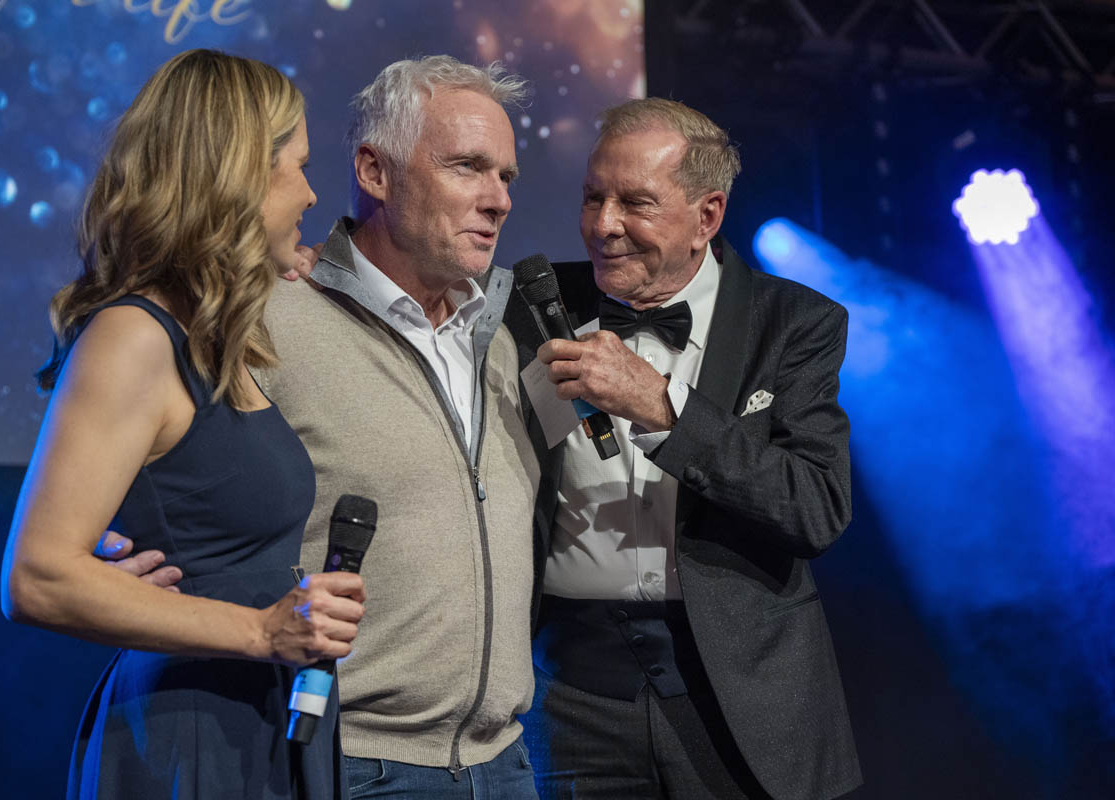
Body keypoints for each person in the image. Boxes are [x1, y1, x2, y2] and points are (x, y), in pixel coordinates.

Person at [102, 55, 541, 798]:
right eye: (468, 167)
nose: (498, 199)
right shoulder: (262, 315)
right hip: (347, 759)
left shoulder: (497, 339)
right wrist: (111, 556)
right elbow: (152, 481)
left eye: (506, 176)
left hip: (505, 761)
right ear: (373, 171)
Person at [0, 49, 365, 800]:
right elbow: (35, 576)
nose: (310, 193)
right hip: (190, 733)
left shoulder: (212, 339)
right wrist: (261, 631)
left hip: (253, 716)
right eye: (297, 167)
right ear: (238, 176)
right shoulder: (134, 337)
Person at [507, 98, 862, 800]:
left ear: (707, 216)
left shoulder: (794, 323)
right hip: (566, 690)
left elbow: (816, 508)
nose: (603, 225)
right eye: (593, 197)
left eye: (635, 203)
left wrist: (664, 410)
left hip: (743, 691)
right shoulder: (530, 304)